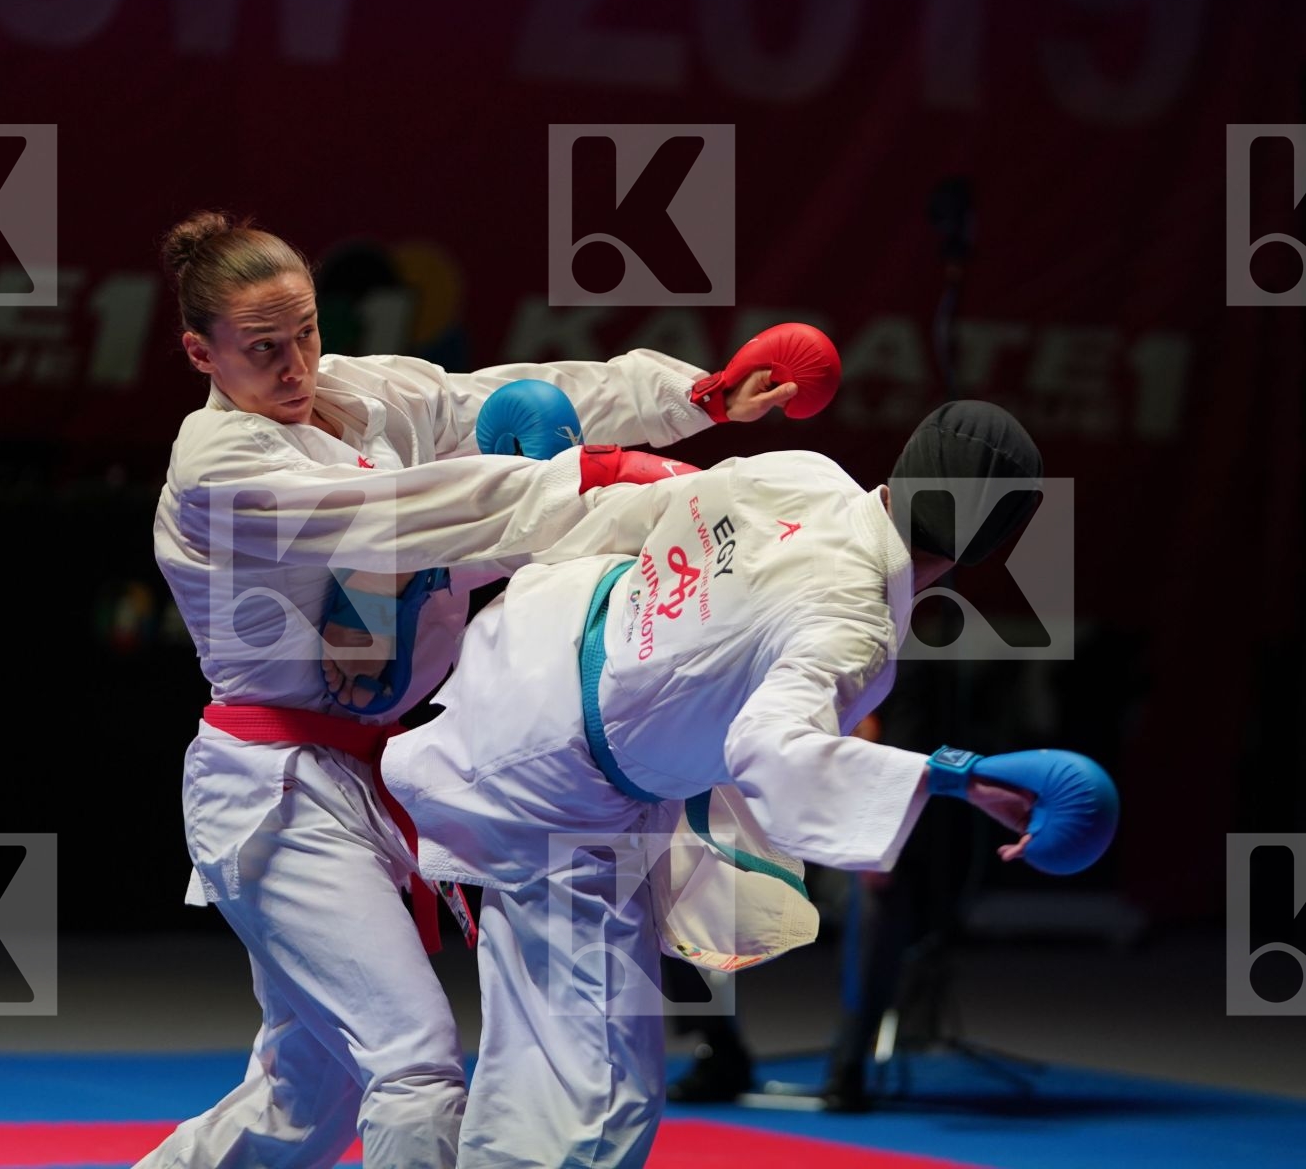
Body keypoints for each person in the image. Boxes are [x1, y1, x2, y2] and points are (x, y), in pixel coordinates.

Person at [139, 210, 807, 1168]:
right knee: (414, 1074)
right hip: (274, 790)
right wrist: (601, 480)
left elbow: (511, 395)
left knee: (305, 1100)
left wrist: (693, 396)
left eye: (307, 334)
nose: (296, 367)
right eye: (263, 350)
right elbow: (431, 508)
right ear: (201, 353)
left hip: (368, 773)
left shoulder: (360, 396)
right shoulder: (220, 468)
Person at [381, 400, 1120, 1168]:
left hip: (531, 645)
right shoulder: (856, 621)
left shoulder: (805, 472)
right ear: (996, 540)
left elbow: (644, 507)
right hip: (557, 783)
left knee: (539, 1056)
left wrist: (527, 504)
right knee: (598, 1105)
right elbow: (771, 749)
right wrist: (956, 779)